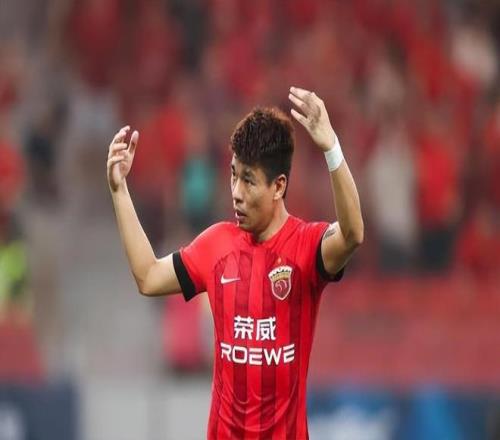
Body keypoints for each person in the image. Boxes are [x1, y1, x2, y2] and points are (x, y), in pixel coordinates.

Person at [107, 86, 363, 439]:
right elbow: (148, 276)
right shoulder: (216, 245)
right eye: (233, 175)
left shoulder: (305, 246)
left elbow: (352, 234)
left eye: (249, 181)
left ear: (278, 186)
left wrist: (331, 148)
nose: (236, 193)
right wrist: (119, 190)